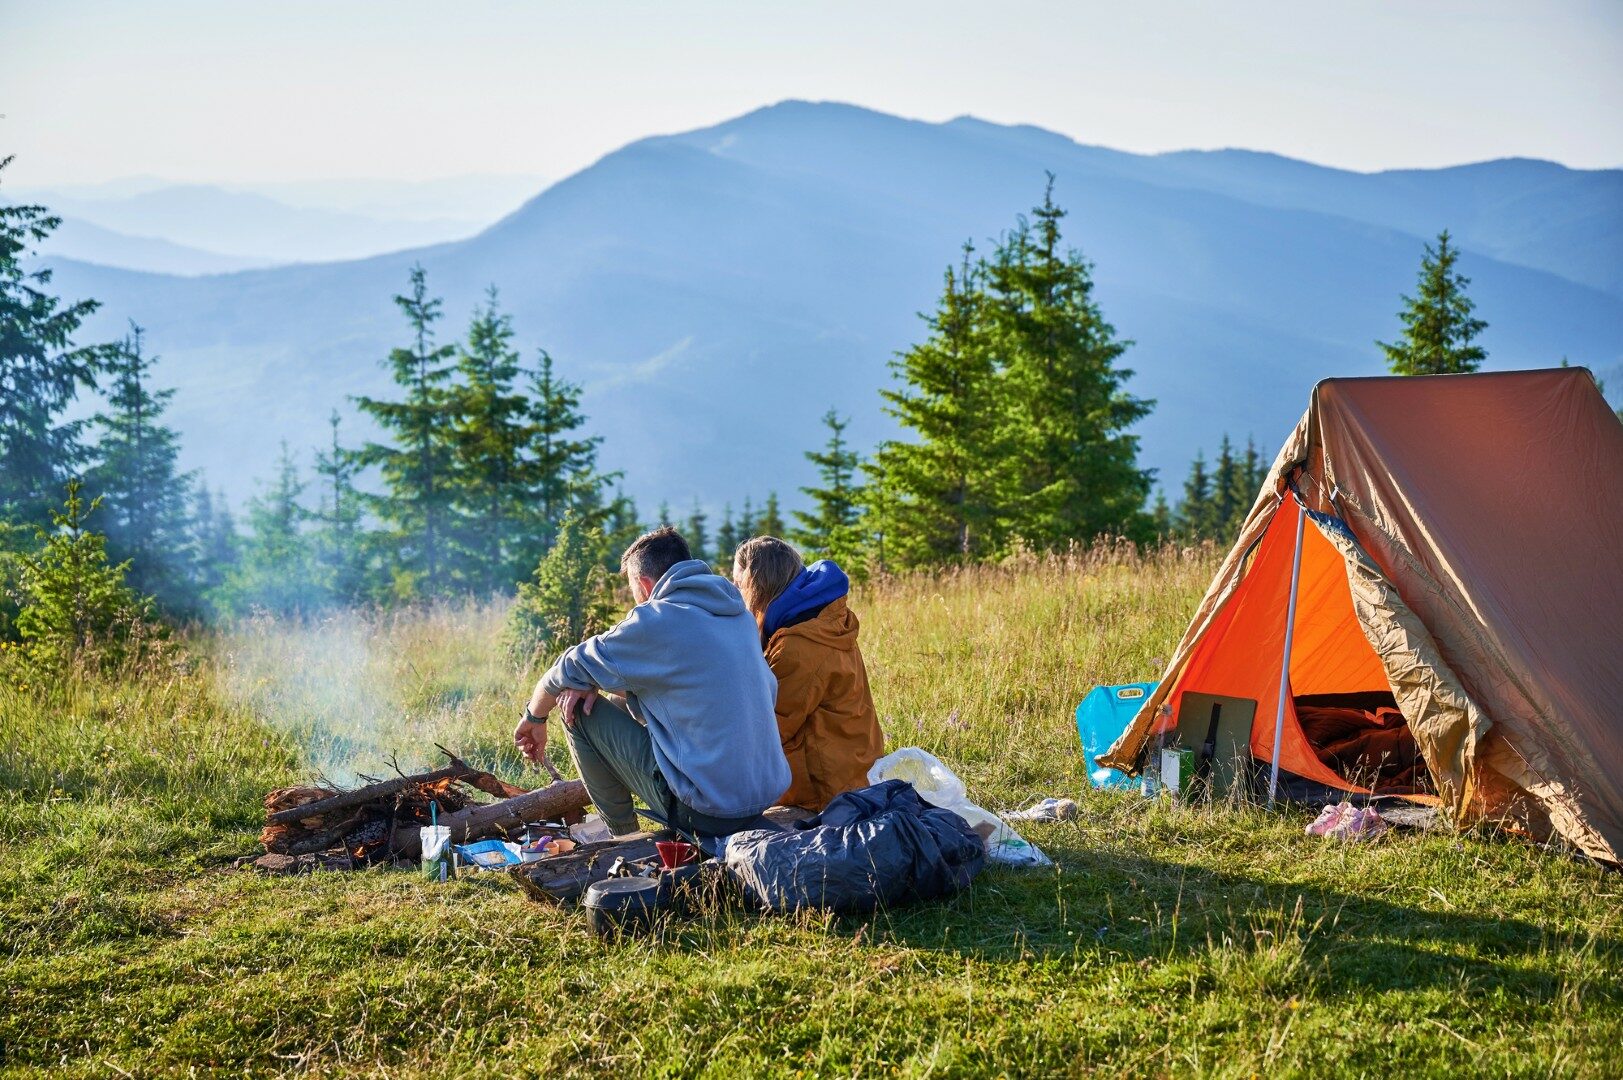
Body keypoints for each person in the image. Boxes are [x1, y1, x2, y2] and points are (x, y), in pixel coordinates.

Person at [514, 526, 790, 837]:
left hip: (707, 811)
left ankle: (623, 838)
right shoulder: (737, 615)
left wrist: (534, 717)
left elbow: (567, 665)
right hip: (760, 798)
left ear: (645, 585)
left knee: (575, 708)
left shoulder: (658, 619)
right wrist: (595, 683)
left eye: (632, 589)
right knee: (610, 696)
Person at [732, 536, 884, 811]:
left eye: (738, 583)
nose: (734, 591)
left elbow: (768, 731)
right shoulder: (820, 619)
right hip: (855, 774)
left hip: (825, 794)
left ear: (757, 585)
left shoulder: (799, 645)